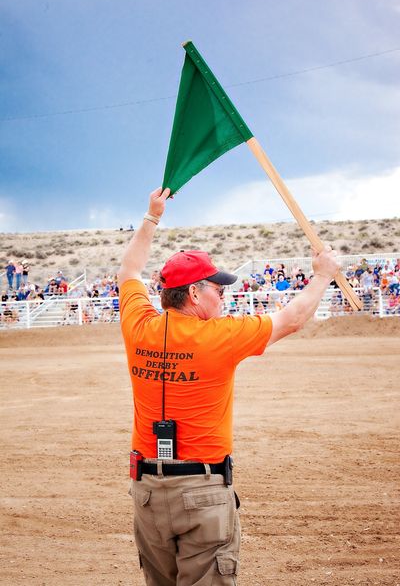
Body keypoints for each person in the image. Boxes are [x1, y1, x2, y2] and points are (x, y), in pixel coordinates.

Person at [118, 187, 340, 586]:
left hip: (147, 490)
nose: (223, 298)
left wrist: (151, 217)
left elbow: (128, 272)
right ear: (193, 293)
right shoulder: (219, 336)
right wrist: (323, 274)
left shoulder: (139, 328)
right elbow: (291, 319)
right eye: (217, 290)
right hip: (202, 489)